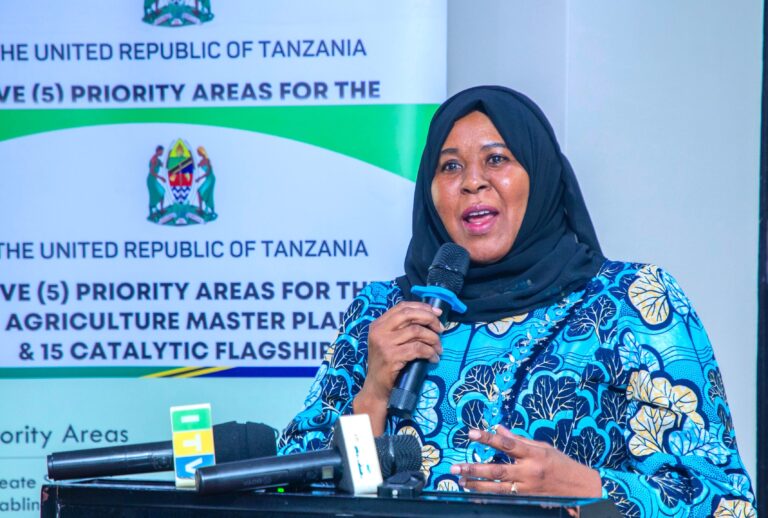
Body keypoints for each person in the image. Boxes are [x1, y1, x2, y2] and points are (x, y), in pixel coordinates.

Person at [277, 86, 755, 516]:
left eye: (497, 159)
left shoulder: (632, 301)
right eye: (450, 166)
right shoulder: (381, 311)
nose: (472, 182)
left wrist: (586, 489)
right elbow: (285, 486)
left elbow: (723, 500)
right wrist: (374, 395)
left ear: (540, 174)